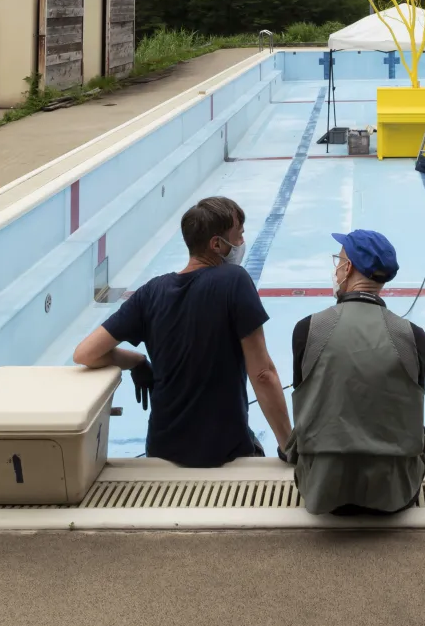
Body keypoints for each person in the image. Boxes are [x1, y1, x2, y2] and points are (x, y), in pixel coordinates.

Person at [72, 195, 291, 467]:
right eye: (238, 235)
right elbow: (262, 374)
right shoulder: (234, 281)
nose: (241, 242)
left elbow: (85, 353)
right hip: (224, 453)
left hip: (162, 450)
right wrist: (289, 446)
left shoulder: (150, 292)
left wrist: (137, 361)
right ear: (216, 245)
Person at [283, 228, 425, 515]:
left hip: (321, 488)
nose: (336, 268)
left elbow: (305, 406)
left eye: (338, 260)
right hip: (395, 491)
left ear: (347, 268)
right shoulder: (412, 336)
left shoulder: (309, 329)